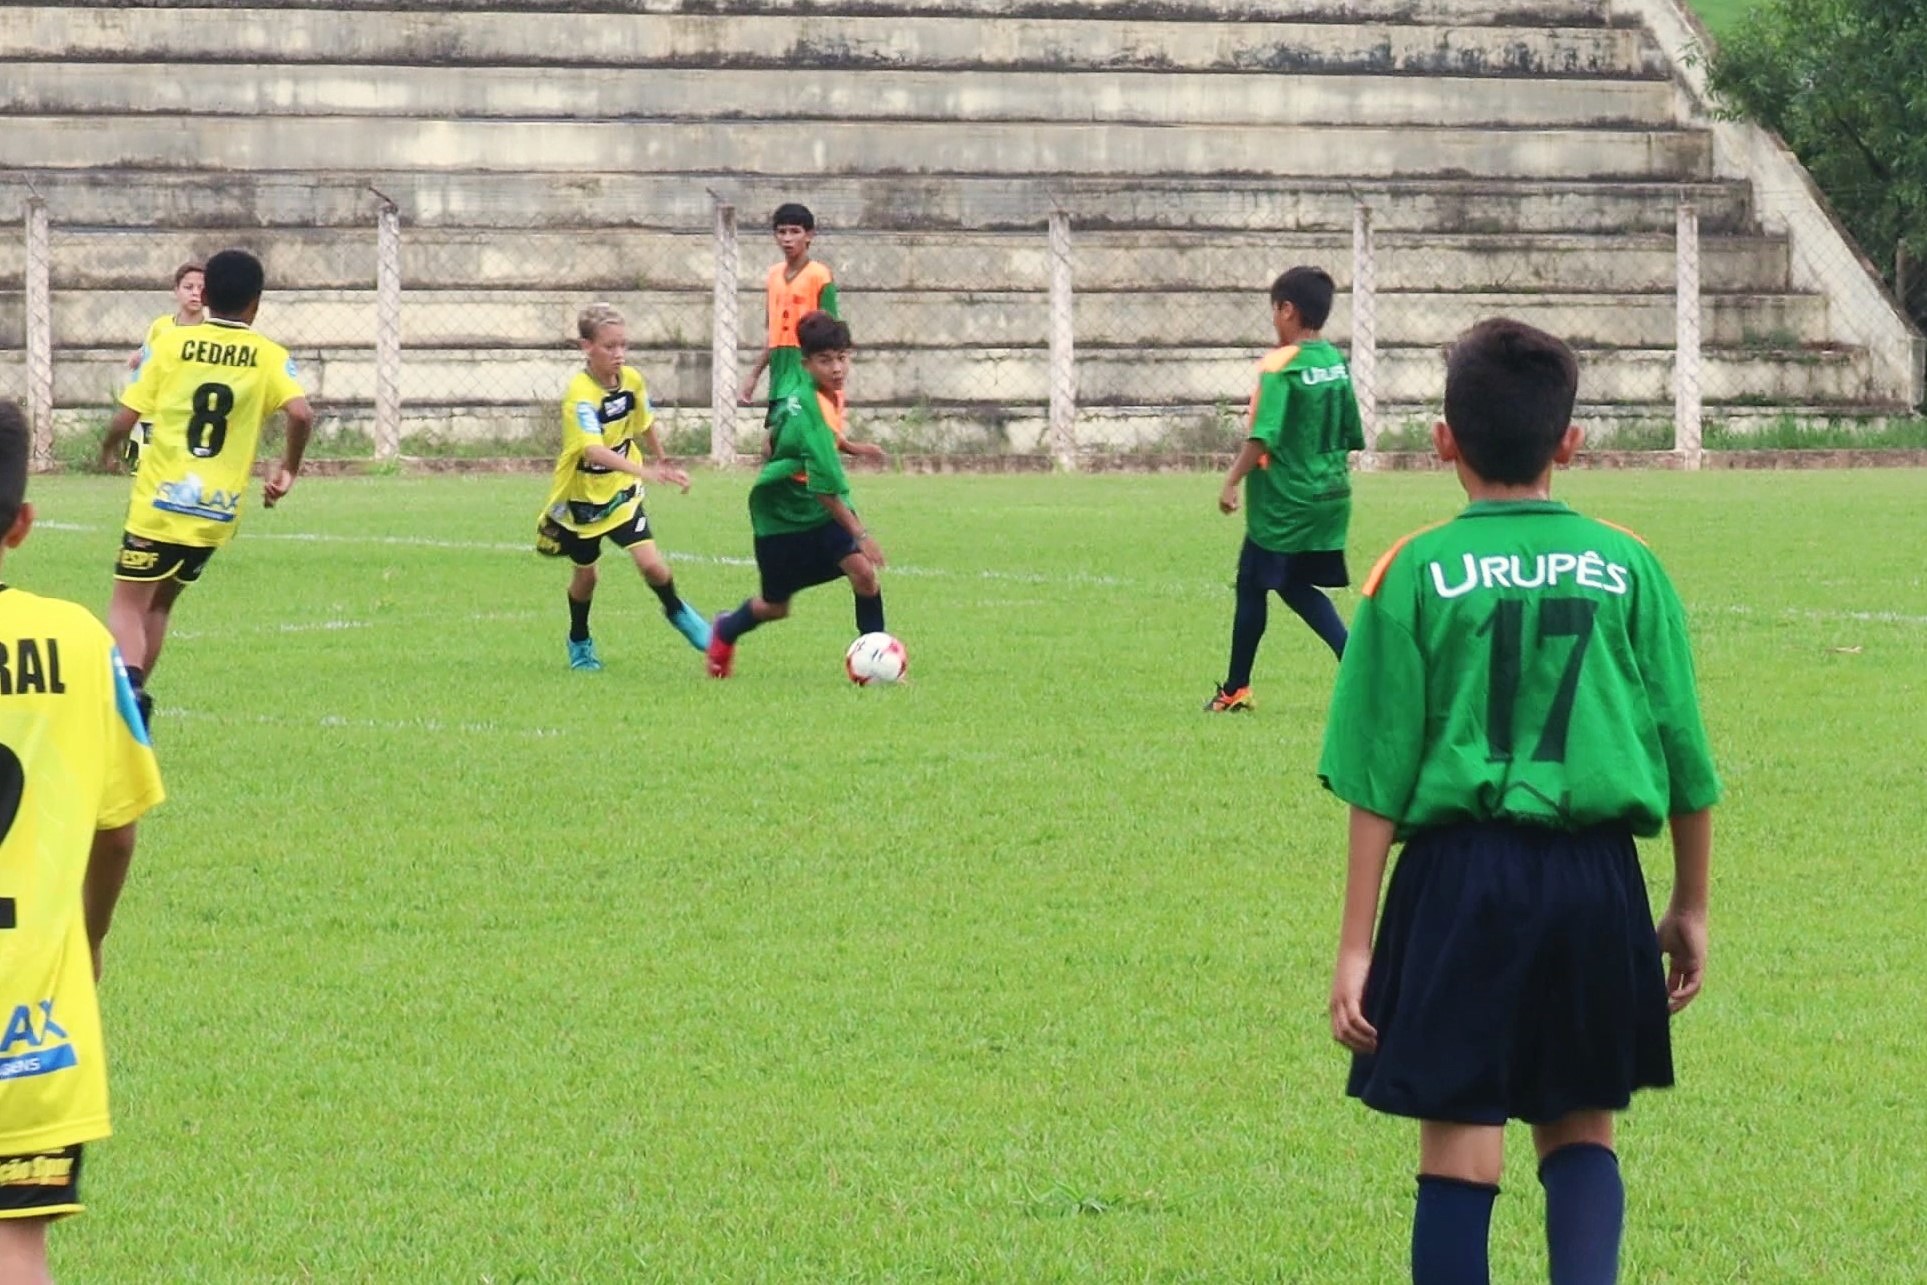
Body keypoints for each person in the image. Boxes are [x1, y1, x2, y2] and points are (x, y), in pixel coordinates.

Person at [1319, 318, 1721, 1285]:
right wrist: (1689, 903)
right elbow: (1684, 759)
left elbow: (1376, 773)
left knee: (1459, 1140)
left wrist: (1356, 941)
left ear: (1442, 439)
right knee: (1582, 1123)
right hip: (1596, 881)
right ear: (1568, 442)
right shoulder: (1628, 564)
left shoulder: (1410, 570)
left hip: (1458, 880)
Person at [0, 400, 166, 1283]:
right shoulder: (79, 642)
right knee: (15, 1243)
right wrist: (89, 941)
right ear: (23, 524)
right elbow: (118, 832)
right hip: (32, 1011)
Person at [96, 248, 314, 727]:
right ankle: (134, 705)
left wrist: (110, 449)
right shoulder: (269, 356)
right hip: (217, 512)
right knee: (161, 602)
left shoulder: (171, 344)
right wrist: (288, 468)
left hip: (161, 501)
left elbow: (127, 415)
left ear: (206, 295)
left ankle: (127, 696)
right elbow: (300, 412)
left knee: (127, 604)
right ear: (256, 303)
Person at [1207, 266, 1363, 712]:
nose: (1274, 321)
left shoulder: (1280, 365)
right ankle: (1353, 664)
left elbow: (1262, 436)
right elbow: (1351, 432)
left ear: (1288, 310)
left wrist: (1231, 480)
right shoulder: (1334, 361)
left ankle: (1236, 689)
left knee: (1253, 583)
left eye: (1275, 311)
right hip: (1331, 496)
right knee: (1291, 584)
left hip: (1285, 504)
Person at [706, 312, 886, 678]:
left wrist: (849, 446)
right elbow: (825, 489)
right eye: (825, 360)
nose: (837, 368)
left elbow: (774, 438)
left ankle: (877, 659)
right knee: (775, 606)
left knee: (864, 575)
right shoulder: (807, 409)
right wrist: (861, 535)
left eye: (842, 357)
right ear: (807, 363)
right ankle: (725, 629)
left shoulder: (819, 392)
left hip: (815, 511)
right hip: (782, 518)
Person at [537, 303, 709, 671]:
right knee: (587, 576)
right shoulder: (579, 394)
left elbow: (644, 421)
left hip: (621, 491)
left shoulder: (631, 380)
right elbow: (594, 450)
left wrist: (661, 459)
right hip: (582, 498)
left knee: (652, 565)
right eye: (609, 347)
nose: (619, 355)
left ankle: (677, 610)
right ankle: (579, 640)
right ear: (587, 347)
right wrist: (645, 471)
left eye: (622, 346)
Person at [736, 203, 883, 462]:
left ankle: (834, 459)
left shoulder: (820, 276)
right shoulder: (773, 276)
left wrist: (831, 370)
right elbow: (773, 334)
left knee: (785, 441)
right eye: (782, 232)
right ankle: (843, 448)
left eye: (795, 231)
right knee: (778, 443)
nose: (788, 238)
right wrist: (754, 375)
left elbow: (831, 331)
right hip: (781, 370)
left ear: (809, 235)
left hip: (806, 367)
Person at [120, 261, 206, 470]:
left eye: (202, 289)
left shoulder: (210, 330)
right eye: (189, 287)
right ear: (176, 291)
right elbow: (148, 355)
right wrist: (139, 357)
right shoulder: (161, 326)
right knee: (151, 465)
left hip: (192, 409)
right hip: (158, 409)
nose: (196, 294)